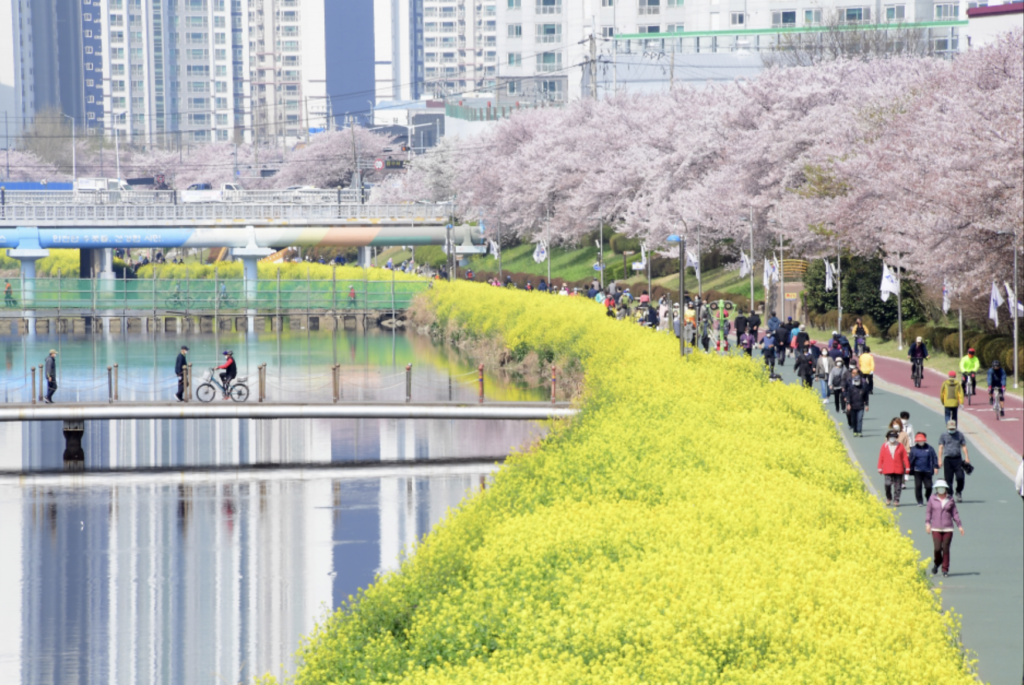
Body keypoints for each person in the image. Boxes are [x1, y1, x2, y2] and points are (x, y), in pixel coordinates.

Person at [925, 479, 964, 577]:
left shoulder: (950, 499)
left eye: (942, 488)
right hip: (936, 528)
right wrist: (927, 523)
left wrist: (959, 526)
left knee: (946, 548)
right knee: (937, 549)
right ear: (937, 489)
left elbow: (955, 513)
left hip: (948, 528)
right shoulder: (932, 498)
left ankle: (945, 569)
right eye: (939, 488)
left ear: (945, 488)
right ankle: (937, 562)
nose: (941, 489)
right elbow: (928, 512)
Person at [938, 420, 970, 503]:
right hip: (948, 460)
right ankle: (950, 495)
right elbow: (941, 447)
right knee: (948, 480)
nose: (951, 430)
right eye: (950, 428)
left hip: (957, 459)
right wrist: (939, 459)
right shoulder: (943, 435)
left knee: (960, 477)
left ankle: (958, 491)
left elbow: (963, 446)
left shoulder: (960, 435)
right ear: (947, 427)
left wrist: (966, 457)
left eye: (953, 428)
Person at [878, 428, 910, 506]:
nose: (892, 438)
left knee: (898, 486)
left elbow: (905, 457)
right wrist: (879, 467)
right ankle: (889, 497)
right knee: (887, 484)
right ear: (888, 437)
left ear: (896, 437)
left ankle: (896, 499)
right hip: (887, 468)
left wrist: (907, 467)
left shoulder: (900, 446)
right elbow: (881, 457)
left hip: (898, 469)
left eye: (894, 437)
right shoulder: (884, 446)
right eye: (890, 437)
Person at [908, 432, 939, 506]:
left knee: (929, 486)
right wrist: (908, 468)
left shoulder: (929, 448)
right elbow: (910, 459)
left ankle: (928, 497)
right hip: (917, 471)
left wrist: (935, 467)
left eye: (921, 441)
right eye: (919, 441)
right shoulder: (914, 449)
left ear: (924, 440)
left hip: (927, 471)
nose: (920, 442)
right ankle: (920, 501)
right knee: (918, 486)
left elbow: (934, 457)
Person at [843, 368, 870, 436]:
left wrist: (867, 405)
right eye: (855, 380)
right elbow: (848, 395)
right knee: (854, 420)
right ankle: (855, 431)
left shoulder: (863, 388)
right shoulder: (851, 388)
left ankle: (859, 431)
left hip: (860, 406)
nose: (856, 381)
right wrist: (848, 404)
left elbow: (866, 397)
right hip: (853, 406)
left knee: (860, 419)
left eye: (858, 380)